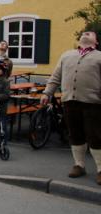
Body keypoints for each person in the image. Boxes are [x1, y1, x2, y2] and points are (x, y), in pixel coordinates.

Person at [42, 31, 101, 185]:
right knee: (75, 134)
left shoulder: (99, 56)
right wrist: (47, 93)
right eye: (84, 33)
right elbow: (55, 77)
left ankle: (100, 169)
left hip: (93, 103)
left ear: (96, 42)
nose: (86, 34)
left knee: (95, 136)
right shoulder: (66, 55)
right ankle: (79, 165)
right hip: (69, 102)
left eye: (90, 33)